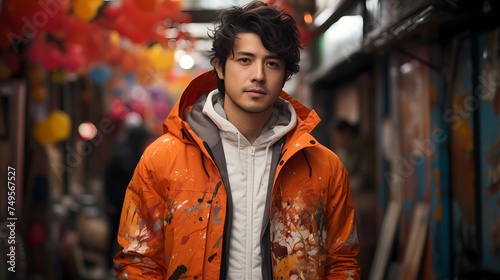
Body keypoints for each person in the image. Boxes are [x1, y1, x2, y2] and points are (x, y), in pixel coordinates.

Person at [113, 1, 360, 279]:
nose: (258, 75)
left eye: (272, 63)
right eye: (245, 60)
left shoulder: (324, 167)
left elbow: (341, 262)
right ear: (219, 67)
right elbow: (138, 260)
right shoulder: (163, 159)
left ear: (286, 75)